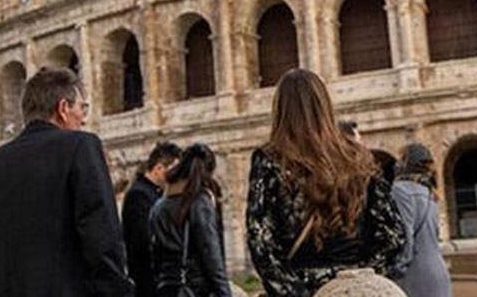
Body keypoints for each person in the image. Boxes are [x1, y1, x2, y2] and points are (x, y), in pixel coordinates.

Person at [0, 67, 133, 297]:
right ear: (63, 108)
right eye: (83, 108)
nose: (83, 118)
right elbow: (102, 240)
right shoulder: (80, 147)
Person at [246, 69, 405, 296]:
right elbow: (394, 234)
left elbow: (260, 240)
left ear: (280, 110)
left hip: (302, 283)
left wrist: (295, 292)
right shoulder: (357, 156)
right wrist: (361, 278)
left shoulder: (270, 160)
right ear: (325, 105)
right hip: (356, 288)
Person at [149, 143, 231, 297]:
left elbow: (155, 256)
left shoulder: (159, 206)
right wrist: (224, 292)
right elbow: (210, 254)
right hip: (194, 288)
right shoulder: (199, 202)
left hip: (167, 288)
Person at [390, 143, 452, 297]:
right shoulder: (430, 193)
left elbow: (406, 236)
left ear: (406, 163)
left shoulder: (400, 190)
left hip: (416, 274)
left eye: (399, 160)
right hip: (439, 272)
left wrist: (396, 270)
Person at [124, 141, 182, 297]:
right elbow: (144, 239)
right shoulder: (138, 195)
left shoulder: (153, 193)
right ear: (158, 169)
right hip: (149, 281)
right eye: (173, 171)